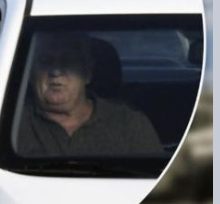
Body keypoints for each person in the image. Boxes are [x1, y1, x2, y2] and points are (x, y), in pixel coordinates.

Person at [13, 32, 162, 157]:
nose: (56, 72)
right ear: (31, 73)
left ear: (87, 73)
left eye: (68, 61)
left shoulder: (129, 125)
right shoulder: (7, 125)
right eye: (45, 61)